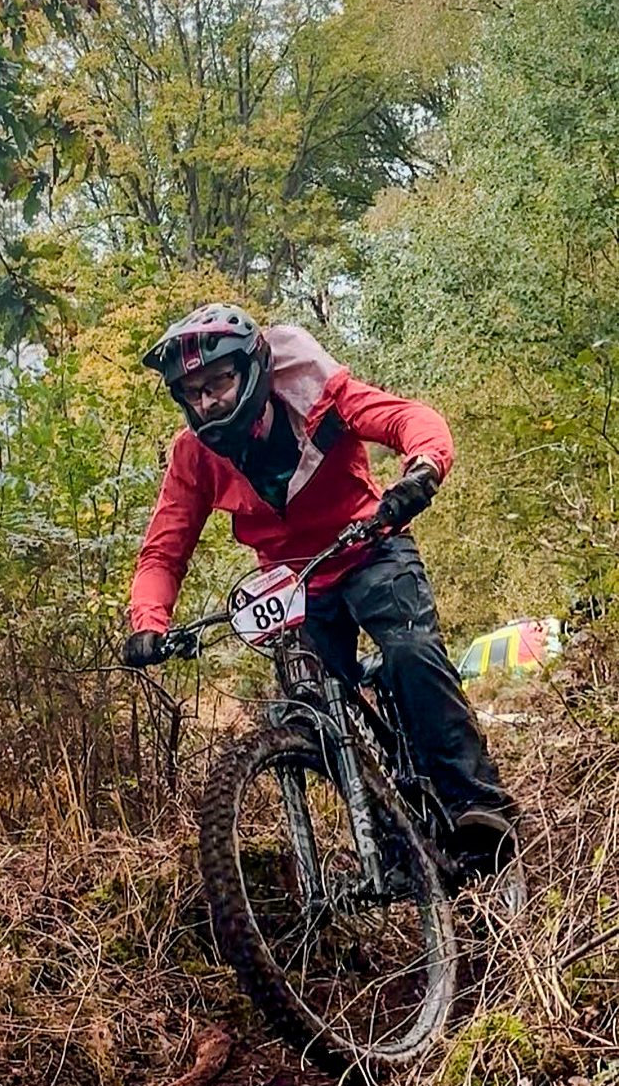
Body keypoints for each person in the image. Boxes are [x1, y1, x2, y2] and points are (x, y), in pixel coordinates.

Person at [124, 304, 516, 855]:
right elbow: (163, 551)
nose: (208, 401)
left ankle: (479, 805)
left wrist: (422, 471)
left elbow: (409, 419)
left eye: (219, 382)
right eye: (194, 392)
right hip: (291, 585)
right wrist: (150, 623)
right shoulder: (194, 456)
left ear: (253, 370)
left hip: (369, 545)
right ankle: (387, 829)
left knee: (410, 653)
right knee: (306, 707)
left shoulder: (316, 396)